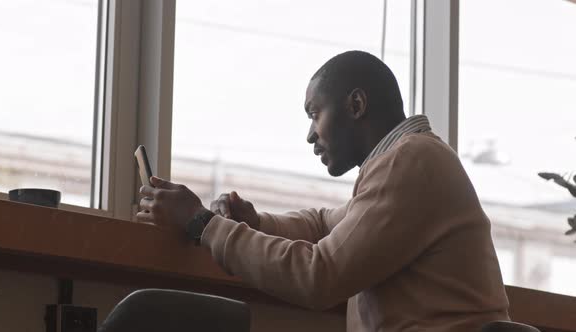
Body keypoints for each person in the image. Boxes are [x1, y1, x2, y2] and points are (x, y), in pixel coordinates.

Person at [136, 50, 510, 331]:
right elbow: (325, 224)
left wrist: (202, 224)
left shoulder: (410, 161)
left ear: (357, 105)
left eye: (315, 114)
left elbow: (319, 276)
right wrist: (256, 222)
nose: (311, 134)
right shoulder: (407, 160)